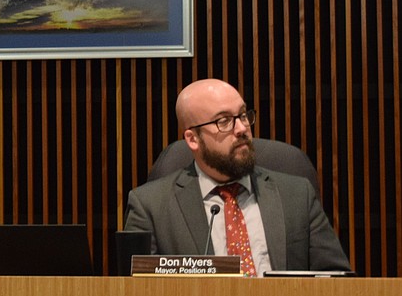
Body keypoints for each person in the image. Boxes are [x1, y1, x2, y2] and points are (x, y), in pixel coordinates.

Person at [124, 79, 350, 275]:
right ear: (193, 139)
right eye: (223, 121)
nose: (242, 128)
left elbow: (338, 282)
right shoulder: (150, 207)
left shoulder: (297, 195)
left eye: (243, 115)